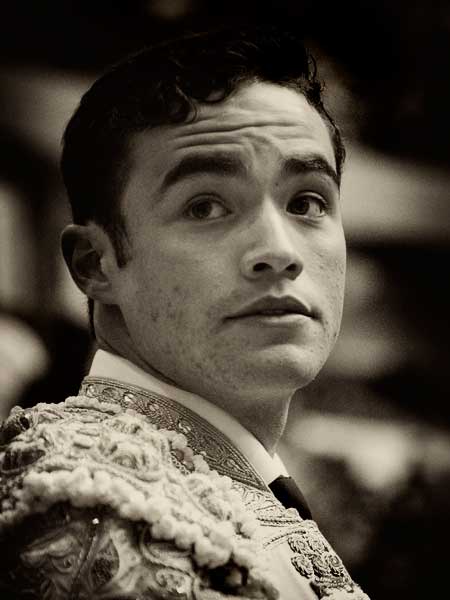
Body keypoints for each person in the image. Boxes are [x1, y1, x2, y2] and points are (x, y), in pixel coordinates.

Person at [0, 27, 369, 599]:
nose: (279, 252)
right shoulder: (97, 507)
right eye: (205, 207)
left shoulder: (222, 479)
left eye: (307, 201)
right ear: (96, 264)